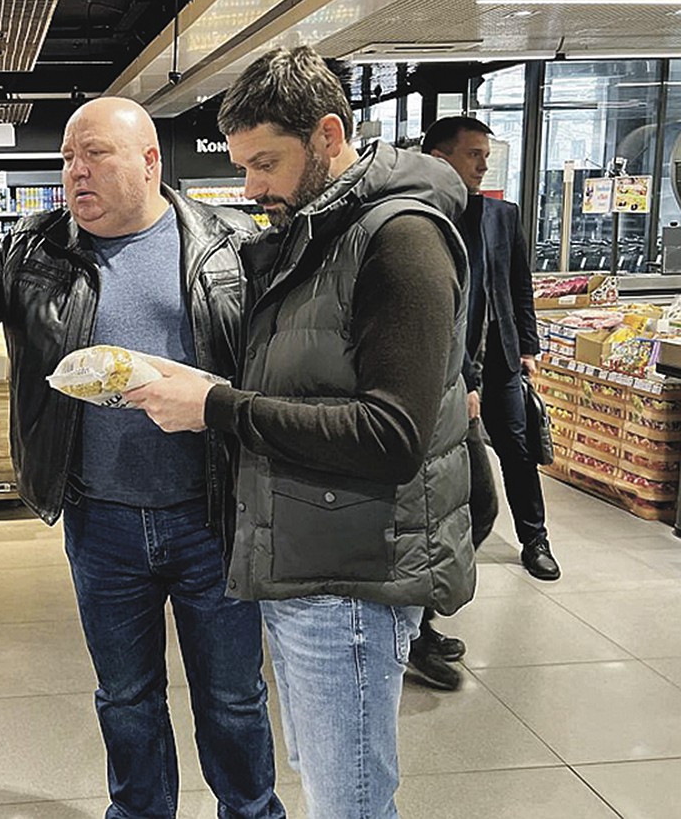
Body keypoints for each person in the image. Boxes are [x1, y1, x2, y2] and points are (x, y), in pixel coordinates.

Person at [0, 97, 285, 819]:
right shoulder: (38, 247)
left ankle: (252, 811)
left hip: (215, 516)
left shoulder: (231, 243)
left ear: (149, 161)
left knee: (233, 698)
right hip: (100, 521)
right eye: (68, 158)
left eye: (95, 155)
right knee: (126, 697)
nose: (75, 171)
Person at [125, 46, 477, 819]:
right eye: (244, 165)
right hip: (308, 556)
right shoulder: (318, 230)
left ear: (326, 135)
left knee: (349, 800)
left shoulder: (400, 239)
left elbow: (393, 432)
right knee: (329, 782)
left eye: (266, 163)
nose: (252, 187)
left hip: (353, 576)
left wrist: (216, 405)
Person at [422, 117, 560, 583]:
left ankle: (535, 539)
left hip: (500, 356)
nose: (483, 164)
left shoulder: (503, 215)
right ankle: (450, 548)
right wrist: (463, 376)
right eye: (473, 154)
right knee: (458, 462)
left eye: (486, 154)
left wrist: (527, 345)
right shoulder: (427, 219)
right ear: (440, 158)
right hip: (452, 365)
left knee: (519, 451)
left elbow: (519, 284)